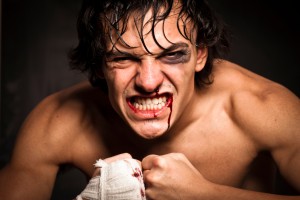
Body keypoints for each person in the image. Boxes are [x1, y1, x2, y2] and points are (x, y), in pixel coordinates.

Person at [0, 0, 299, 199]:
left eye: (172, 55)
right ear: (100, 65)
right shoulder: (59, 120)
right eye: (123, 58)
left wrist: (205, 194)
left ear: (201, 55)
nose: (149, 81)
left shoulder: (263, 106)